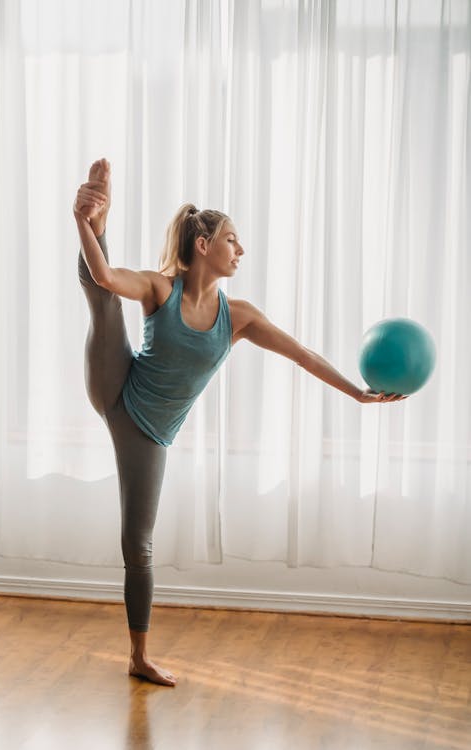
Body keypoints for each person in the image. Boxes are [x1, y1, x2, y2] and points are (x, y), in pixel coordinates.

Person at [74, 158, 407, 687]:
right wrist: (82, 224)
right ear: (203, 245)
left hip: (150, 433)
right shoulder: (163, 289)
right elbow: (107, 276)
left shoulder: (241, 318)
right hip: (117, 387)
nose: (241, 249)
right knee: (105, 301)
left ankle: (138, 657)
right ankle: (95, 219)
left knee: (138, 544)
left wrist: (358, 395)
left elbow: (304, 356)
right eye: (233, 239)